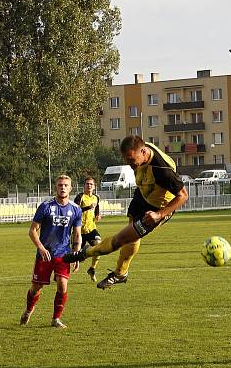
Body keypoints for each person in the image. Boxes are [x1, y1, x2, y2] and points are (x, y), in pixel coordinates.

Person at [63, 136, 188, 289]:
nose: (130, 164)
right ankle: (121, 273)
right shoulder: (139, 150)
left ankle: (85, 253)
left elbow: (183, 196)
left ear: (143, 152)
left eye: (131, 160)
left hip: (158, 207)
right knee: (131, 237)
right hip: (143, 195)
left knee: (121, 239)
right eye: (126, 160)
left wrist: (159, 214)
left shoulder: (162, 170)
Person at [20, 175, 82, 328]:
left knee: (62, 285)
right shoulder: (45, 206)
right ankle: (28, 310)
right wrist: (40, 247)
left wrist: (77, 254)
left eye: (66, 185)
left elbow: (77, 234)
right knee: (36, 288)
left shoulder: (75, 209)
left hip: (63, 254)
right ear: (56, 186)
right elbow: (32, 230)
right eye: (60, 185)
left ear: (71, 188)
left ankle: (56, 319)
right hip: (45, 254)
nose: (63, 187)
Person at [74, 177, 103, 282]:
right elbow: (74, 211)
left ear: (94, 186)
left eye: (91, 184)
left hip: (91, 229)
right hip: (79, 231)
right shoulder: (80, 197)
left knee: (99, 246)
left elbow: (96, 207)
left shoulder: (96, 197)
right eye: (87, 184)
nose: (89, 185)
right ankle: (60, 273)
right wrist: (87, 208)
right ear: (84, 185)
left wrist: (97, 215)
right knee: (74, 256)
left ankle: (92, 269)